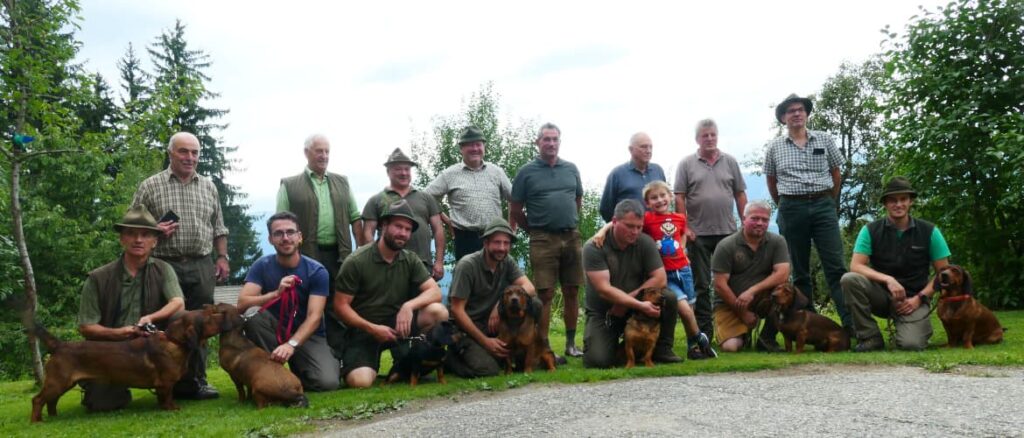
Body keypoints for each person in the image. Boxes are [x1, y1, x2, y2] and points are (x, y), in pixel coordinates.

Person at [132, 131, 227, 400]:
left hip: (201, 264)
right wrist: (153, 229)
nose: (190, 157)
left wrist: (222, 258)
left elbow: (219, 227)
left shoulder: (208, 186)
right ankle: (164, 381)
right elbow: (131, 227)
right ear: (170, 152)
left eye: (195, 152)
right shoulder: (150, 186)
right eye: (184, 151)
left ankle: (198, 381)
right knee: (164, 324)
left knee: (201, 327)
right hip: (162, 264)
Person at [76, 205, 185, 411]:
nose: (138, 240)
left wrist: (150, 318)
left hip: (152, 347)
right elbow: (86, 327)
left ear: (155, 241)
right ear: (122, 239)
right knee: (104, 404)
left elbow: (178, 302)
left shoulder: (164, 269)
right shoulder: (98, 278)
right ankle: (103, 385)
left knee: (186, 318)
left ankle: (186, 382)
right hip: (113, 351)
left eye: (145, 235)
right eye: (131, 234)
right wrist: (119, 333)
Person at [592, 181, 716, 359]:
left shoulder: (680, 217)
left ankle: (693, 348)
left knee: (690, 309)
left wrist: (682, 248)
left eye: (663, 196)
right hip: (667, 272)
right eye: (654, 198)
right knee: (685, 310)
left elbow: (682, 232)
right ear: (647, 203)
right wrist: (602, 231)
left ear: (670, 197)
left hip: (684, 270)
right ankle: (700, 339)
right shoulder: (648, 219)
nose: (659, 200)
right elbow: (620, 221)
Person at [764, 94, 852, 343]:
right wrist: (786, 205)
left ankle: (851, 326)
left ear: (806, 113)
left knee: (836, 268)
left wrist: (829, 202)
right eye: (790, 111)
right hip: (792, 207)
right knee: (800, 271)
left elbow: (836, 173)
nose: (796, 114)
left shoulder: (824, 139)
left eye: (800, 109)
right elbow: (771, 181)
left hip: (824, 205)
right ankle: (808, 327)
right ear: (783, 118)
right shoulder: (775, 147)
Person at [333, 200, 449, 388]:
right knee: (360, 382)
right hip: (363, 330)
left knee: (438, 311)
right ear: (383, 225)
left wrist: (408, 306)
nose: (403, 233)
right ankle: (362, 363)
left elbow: (434, 291)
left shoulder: (410, 259)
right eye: (398, 226)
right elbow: (340, 306)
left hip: (399, 326)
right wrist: (371, 328)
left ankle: (424, 359)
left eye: (407, 229)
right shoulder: (356, 261)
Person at [277, 133, 366, 357]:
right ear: (307, 153)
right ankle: (309, 355)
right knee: (309, 306)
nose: (324, 156)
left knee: (339, 306)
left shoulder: (342, 182)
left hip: (340, 255)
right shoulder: (289, 184)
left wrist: (361, 251)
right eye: (319, 151)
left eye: (327, 151)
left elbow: (355, 218)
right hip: (306, 257)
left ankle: (340, 358)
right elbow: (281, 222)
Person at [841, 177, 950, 352]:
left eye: (903, 199)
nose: (898, 204)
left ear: (910, 201)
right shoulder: (870, 230)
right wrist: (888, 279)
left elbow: (944, 273)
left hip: (914, 298)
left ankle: (916, 328)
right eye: (892, 200)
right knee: (849, 279)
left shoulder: (930, 231)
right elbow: (856, 266)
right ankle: (870, 337)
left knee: (911, 345)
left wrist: (920, 298)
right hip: (882, 295)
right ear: (885, 203)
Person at [510, 122, 590, 359]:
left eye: (555, 139)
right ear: (538, 142)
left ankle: (570, 344)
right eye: (546, 139)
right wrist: (534, 230)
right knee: (544, 293)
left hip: (571, 235)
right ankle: (544, 346)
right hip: (542, 238)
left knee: (572, 290)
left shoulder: (571, 169)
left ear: (559, 142)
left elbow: (577, 199)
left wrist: (570, 221)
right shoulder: (526, 172)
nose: (551, 144)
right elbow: (515, 209)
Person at [236, 211, 340, 391]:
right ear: (270, 239)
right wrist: (275, 294)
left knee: (327, 383)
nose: (285, 238)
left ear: (300, 237)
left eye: (290, 232)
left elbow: (314, 317)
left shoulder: (316, 271)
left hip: (307, 336)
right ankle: (268, 375)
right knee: (252, 315)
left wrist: (291, 345)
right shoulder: (261, 266)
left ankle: (298, 369)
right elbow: (242, 304)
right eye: (278, 233)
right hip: (273, 330)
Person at [582, 199, 680, 368]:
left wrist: (631, 302)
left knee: (668, 297)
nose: (635, 231)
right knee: (598, 361)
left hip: (634, 308)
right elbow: (604, 290)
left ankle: (662, 349)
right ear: (614, 222)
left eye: (639, 227)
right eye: (629, 226)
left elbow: (660, 278)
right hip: (606, 313)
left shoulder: (645, 242)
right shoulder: (593, 247)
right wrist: (637, 304)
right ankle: (618, 346)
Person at [674, 119, 747, 338]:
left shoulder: (730, 162)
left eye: (713, 135)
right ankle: (704, 333)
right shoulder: (686, 163)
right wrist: (684, 227)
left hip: (728, 232)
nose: (709, 139)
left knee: (731, 282)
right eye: (705, 135)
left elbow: (740, 194)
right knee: (702, 285)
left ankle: (732, 330)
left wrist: (745, 222)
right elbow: (679, 197)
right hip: (698, 234)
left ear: (717, 136)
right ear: (697, 139)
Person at [446, 218, 539, 377]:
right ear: (486, 242)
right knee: (488, 369)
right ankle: (450, 359)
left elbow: (530, 288)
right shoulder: (467, 265)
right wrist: (485, 342)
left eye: (506, 243)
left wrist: (498, 306)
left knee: (535, 304)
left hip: (491, 324)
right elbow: (457, 310)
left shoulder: (507, 261)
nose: (502, 248)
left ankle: (538, 346)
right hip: (466, 327)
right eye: (497, 242)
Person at [711, 201, 791, 352]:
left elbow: (783, 273)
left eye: (765, 219)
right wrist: (743, 313)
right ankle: (743, 334)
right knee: (731, 348)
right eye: (754, 218)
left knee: (785, 290)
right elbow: (720, 285)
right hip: (730, 303)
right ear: (744, 219)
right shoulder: (726, 245)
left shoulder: (777, 241)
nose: (760, 223)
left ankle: (767, 338)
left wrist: (752, 291)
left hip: (762, 299)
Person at [424, 126, 513, 261]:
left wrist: (511, 230)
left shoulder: (497, 172)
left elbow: (514, 198)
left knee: (498, 279)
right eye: (470, 145)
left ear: (484, 147)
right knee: (468, 279)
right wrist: (447, 221)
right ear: (461, 149)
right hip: (465, 239)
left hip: (495, 237)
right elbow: (426, 197)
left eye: (478, 144)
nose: (475, 148)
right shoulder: (449, 174)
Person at [362, 148, 445, 280]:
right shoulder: (376, 200)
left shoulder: (426, 198)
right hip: (387, 265)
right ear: (388, 172)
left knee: (424, 299)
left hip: (422, 264)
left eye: (407, 169)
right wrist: (373, 261)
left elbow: (438, 229)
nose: (404, 173)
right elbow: (368, 233)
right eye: (398, 169)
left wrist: (439, 261)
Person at [598, 132, 667, 223]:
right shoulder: (617, 174)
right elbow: (606, 209)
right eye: (644, 147)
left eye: (651, 147)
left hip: (656, 228)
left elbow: (665, 199)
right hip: (629, 232)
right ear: (631, 149)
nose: (648, 150)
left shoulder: (658, 171)